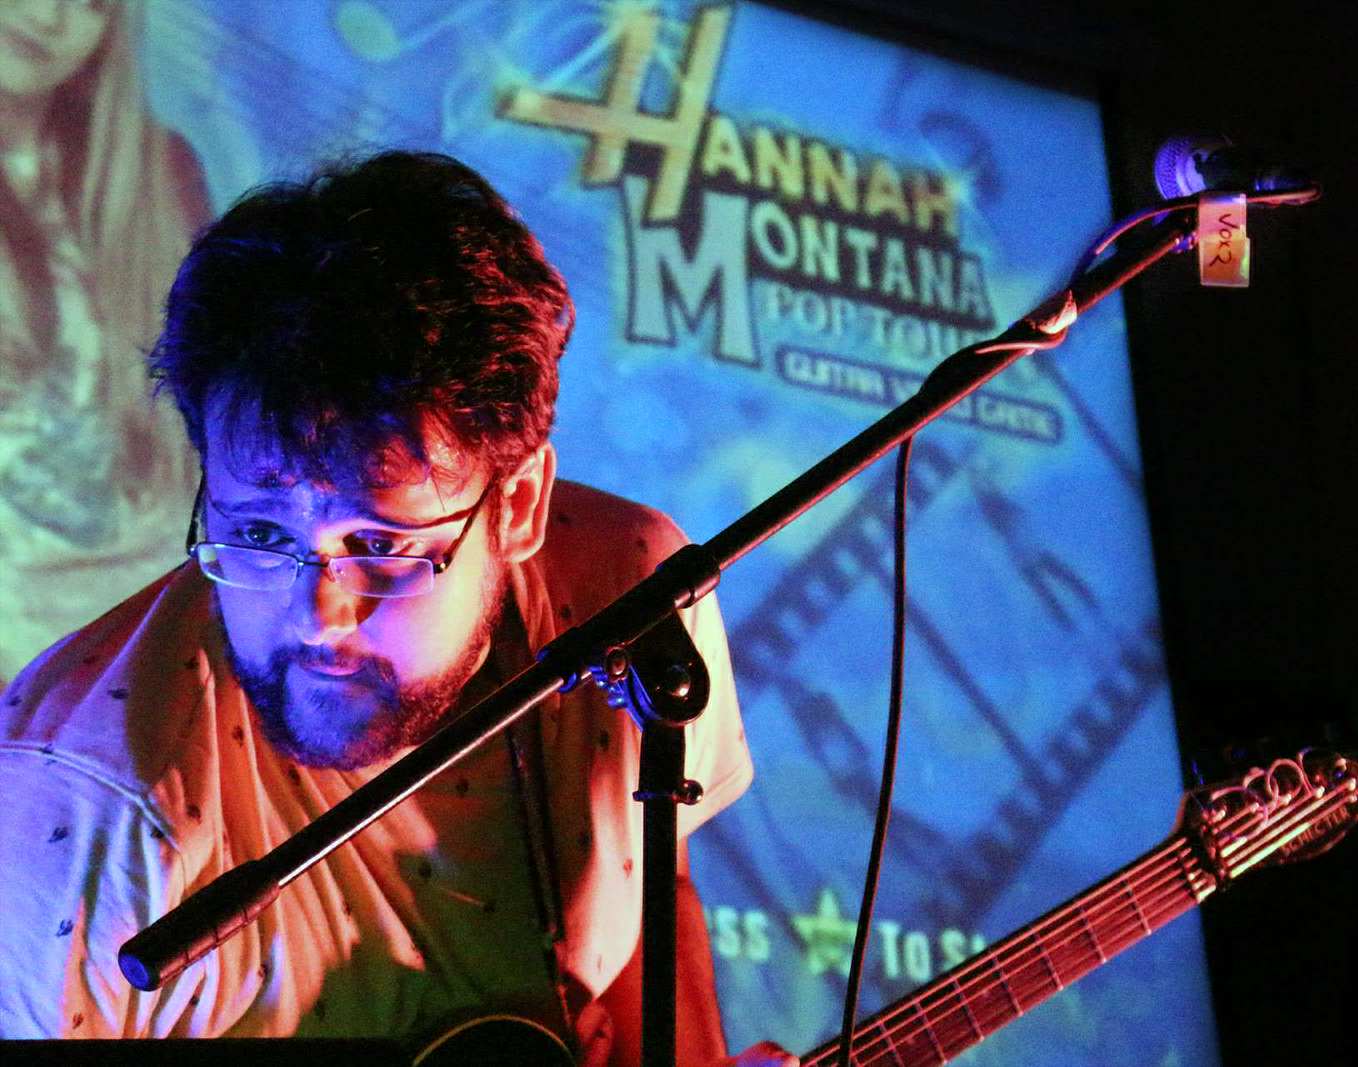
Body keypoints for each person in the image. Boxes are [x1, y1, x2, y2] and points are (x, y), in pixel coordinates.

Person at [0, 149, 794, 1067]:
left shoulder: (629, 594)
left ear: (520, 504)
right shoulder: (78, 817)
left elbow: (647, 882)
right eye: (256, 533)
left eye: (379, 545)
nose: (318, 616)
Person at [0, 0, 209, 685]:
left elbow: (215, 419)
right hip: (21, 656)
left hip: (172, 642)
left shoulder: (159, 171)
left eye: (89, 2)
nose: (49, 17)